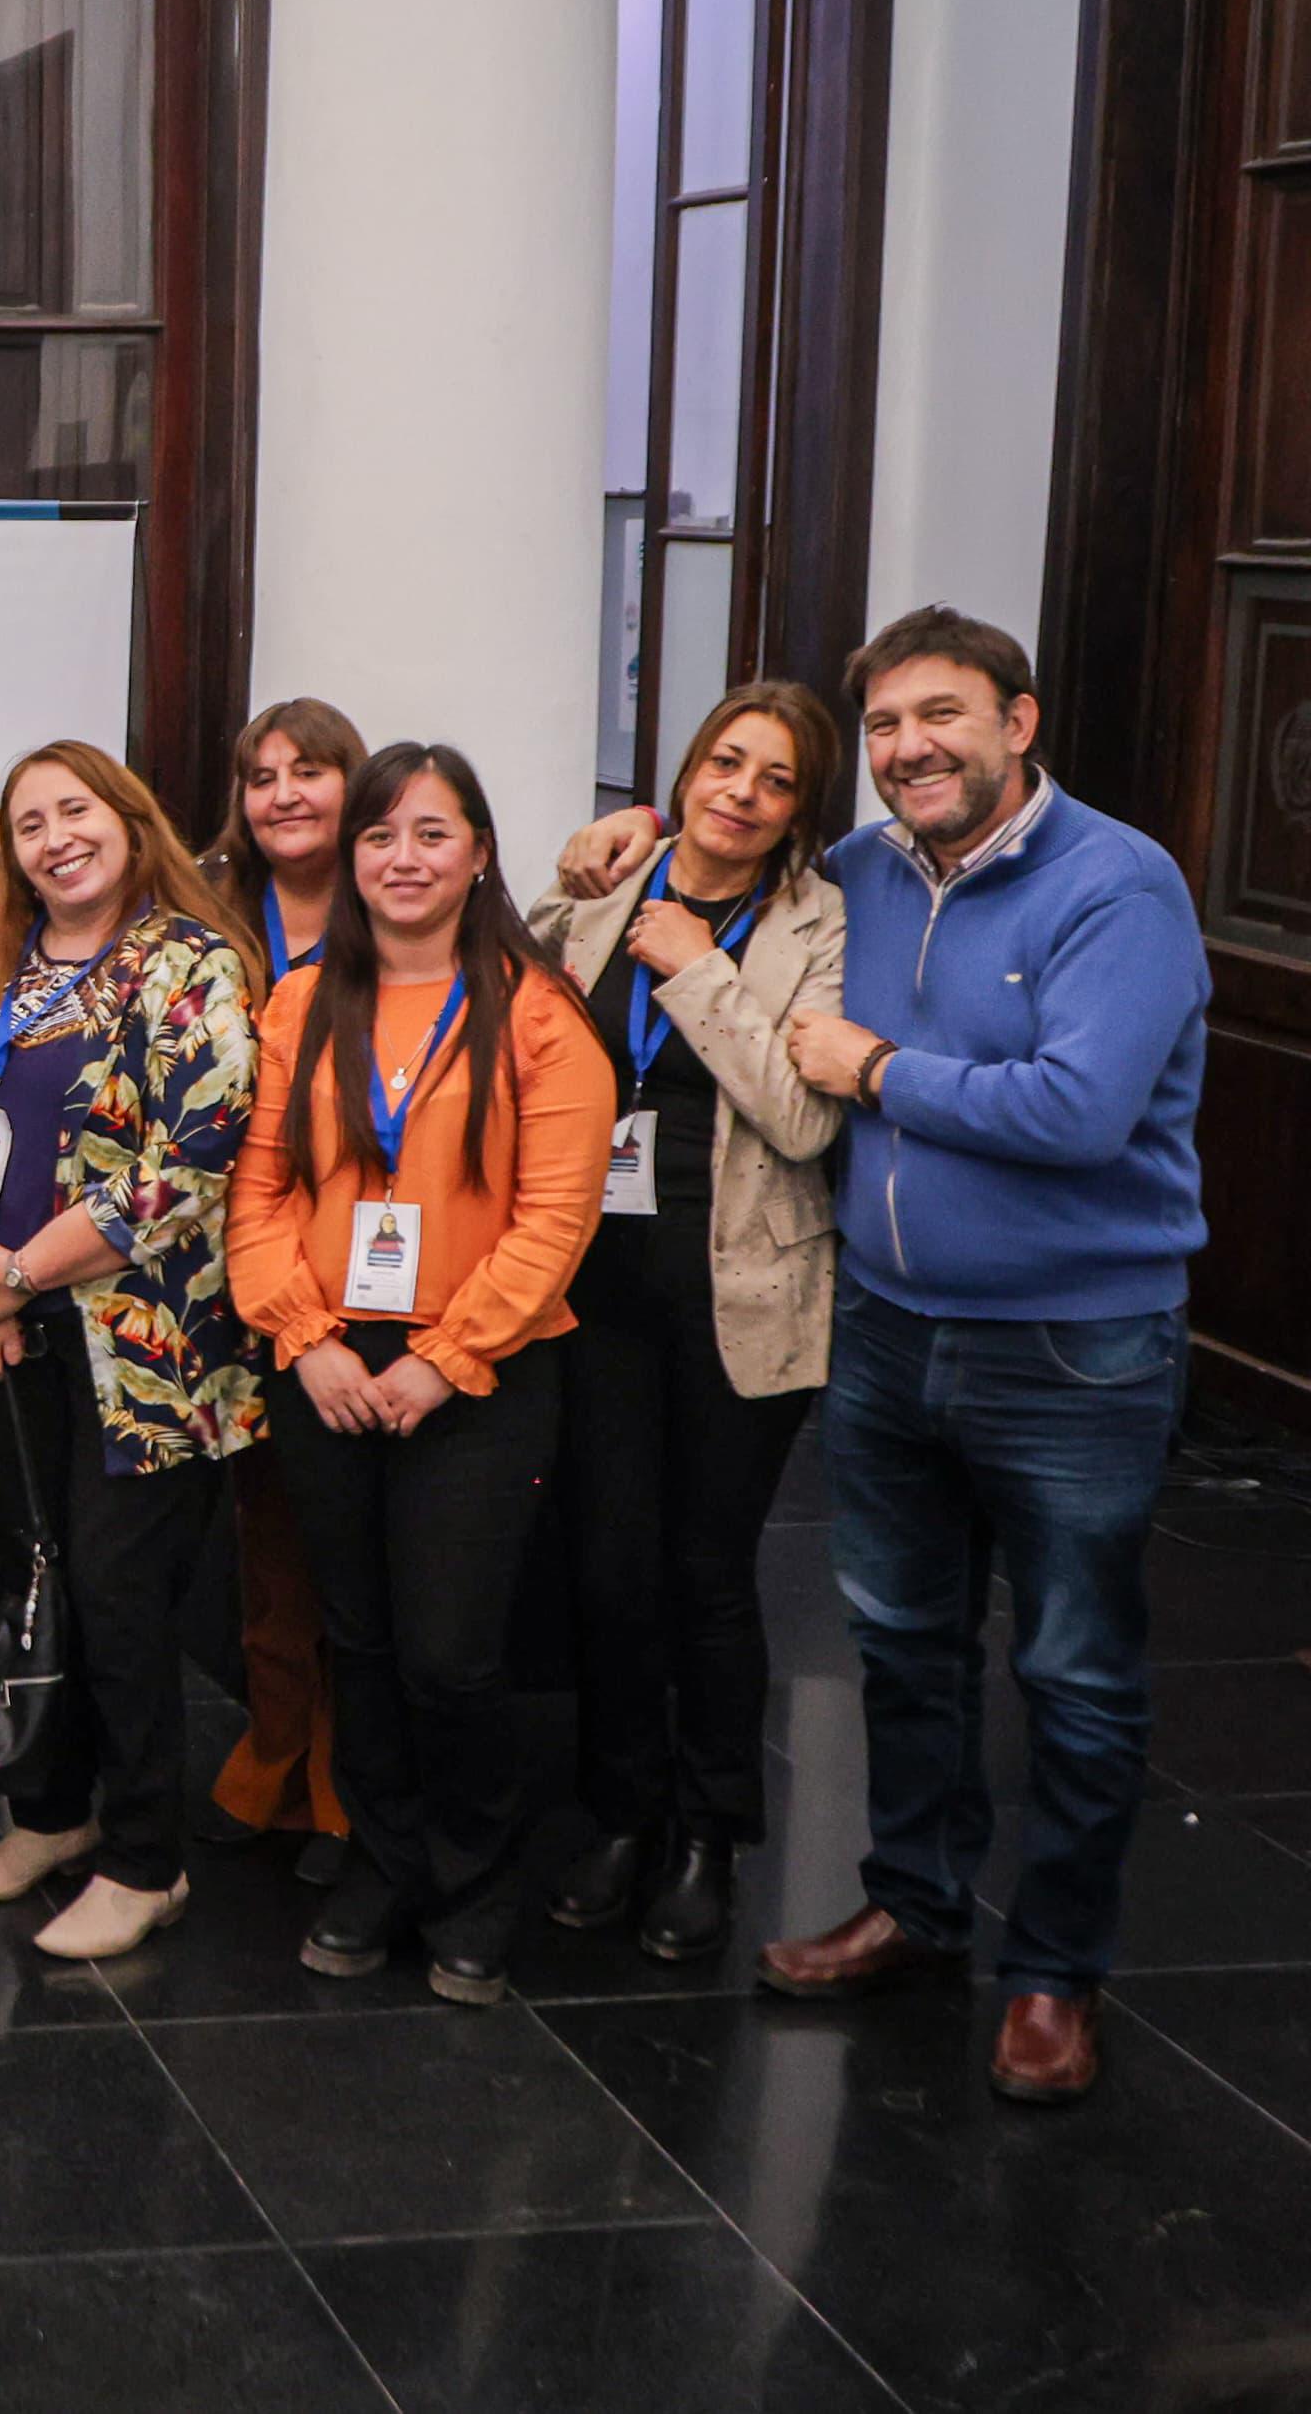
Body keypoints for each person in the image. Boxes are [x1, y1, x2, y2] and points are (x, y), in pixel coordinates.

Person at [562, 610, 1203, 2105]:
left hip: (1074, 1347)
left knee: (1074, 1669)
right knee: (905, 1653)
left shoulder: (1120, 885)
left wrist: (881, 1072)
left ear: (1017, 721)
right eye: (892, 727)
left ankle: (1051, 1974)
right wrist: (616, 839)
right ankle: (916, 1907)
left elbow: (1079, 1113)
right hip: (890, 1328)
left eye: (942, 716)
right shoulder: (853, 876)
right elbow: (701, 871)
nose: (913, 747)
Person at [229, 744, 612, 2006]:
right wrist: (306, 1338)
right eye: (381, 836)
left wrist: (444, 1361)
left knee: (450, 1652)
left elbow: (554, 1221)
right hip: (328, 1361)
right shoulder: (300, 1005)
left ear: (480, 853)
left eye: (432, 834)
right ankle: (383, 1862)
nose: (403, 859)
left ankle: (472, 1879)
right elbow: (259, 1194)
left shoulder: (538, 1015)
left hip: (483, 1372)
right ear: (352, 859)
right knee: (361, 1634)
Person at [0, 743, 267, 1960]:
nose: (53, 836)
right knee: (30, 1572)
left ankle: (140, 1858)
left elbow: (187, 1161)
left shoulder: (189, 960)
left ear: (129, 817)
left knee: (119, 1600)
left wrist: (13, 1274)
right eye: (28, 822)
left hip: (142, 1345)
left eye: (74, 810)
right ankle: (51, 1816)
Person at [524, 682, 847, 1963]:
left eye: (773, 781)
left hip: (742, 1294)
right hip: (596, 1284)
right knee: (605, 1566)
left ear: (795, 812)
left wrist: (699, 972)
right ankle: (619, 1813)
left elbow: (803, 1114)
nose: (741, 793)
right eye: (726, 762)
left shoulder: (817, 925)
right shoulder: (606, 882)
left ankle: (710, 1836)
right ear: (687, 766)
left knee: (704, 1576)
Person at [197, 697, 368, 1878]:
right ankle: (272, 1743)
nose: (283, 796)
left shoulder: (403, 902)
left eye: (308, 772)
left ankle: (341, 1776)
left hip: (365, 1260)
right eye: (260, 777)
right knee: (264, 1531)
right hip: (223, 1255)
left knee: (348, 1538)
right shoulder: (207, 908)